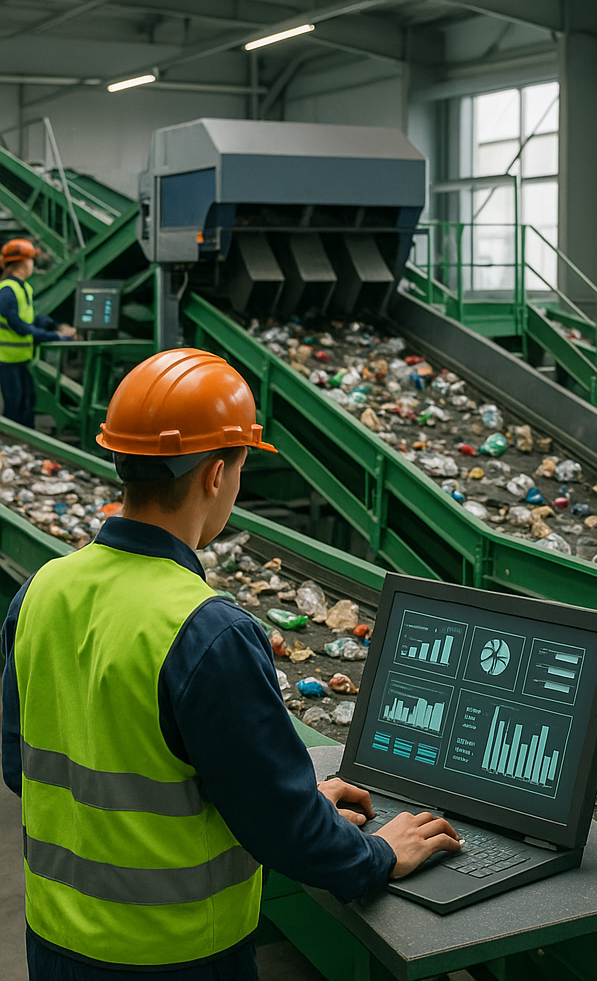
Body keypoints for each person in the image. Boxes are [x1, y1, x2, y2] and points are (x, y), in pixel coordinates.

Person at [1, 348, 461, 979]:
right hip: (176, 956)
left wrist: (294, 801)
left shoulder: (41, 592)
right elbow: (286, 837)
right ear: (217, 473)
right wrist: (378, 853)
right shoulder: (206, 631)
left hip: (54, 943)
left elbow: (21, 768)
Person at [0, 237, 76, 428]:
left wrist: (56, 326)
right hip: (7, 360)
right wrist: (57, 337)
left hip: (22, 358)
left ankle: (23, 445)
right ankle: (11, 448)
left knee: (27, 404)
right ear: (23, 263)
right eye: (31, 260)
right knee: (14, 407)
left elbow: (33, 319)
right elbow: (21, 328)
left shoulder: (23, 287)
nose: (32, 264)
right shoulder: (7, 292)